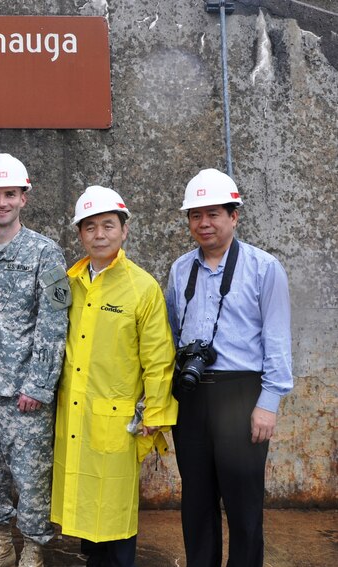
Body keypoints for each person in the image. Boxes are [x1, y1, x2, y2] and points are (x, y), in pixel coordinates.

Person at [165, 168, 293, 567]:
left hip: (242, 394)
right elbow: (169, 335)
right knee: (196, 501)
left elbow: (277, 338)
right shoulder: (179, 269)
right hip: (192, 393)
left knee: (243, 503)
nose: (204, 223)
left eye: (214, 213)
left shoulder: (263, 267)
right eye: (195, 215)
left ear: (234, 216)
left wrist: (268, 402)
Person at [50, 186, 177, 567]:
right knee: (87, 503)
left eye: (108, 225)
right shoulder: (68, 282)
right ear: (80, 235)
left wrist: (154, 415)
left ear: (124, 231)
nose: (100, 234)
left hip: (120, 418)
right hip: (75, 411)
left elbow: (158, 358)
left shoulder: (142, 287)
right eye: (90, 227)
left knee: (116, 509)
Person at [0, 154, 70, 567]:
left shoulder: (47, 253)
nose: (2, 202)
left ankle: (33, 550)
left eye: (10, 194)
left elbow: (54, 322)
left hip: (24, 393)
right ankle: (2, 545)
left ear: (24, 198)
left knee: (31, 479)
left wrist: (39, 385)